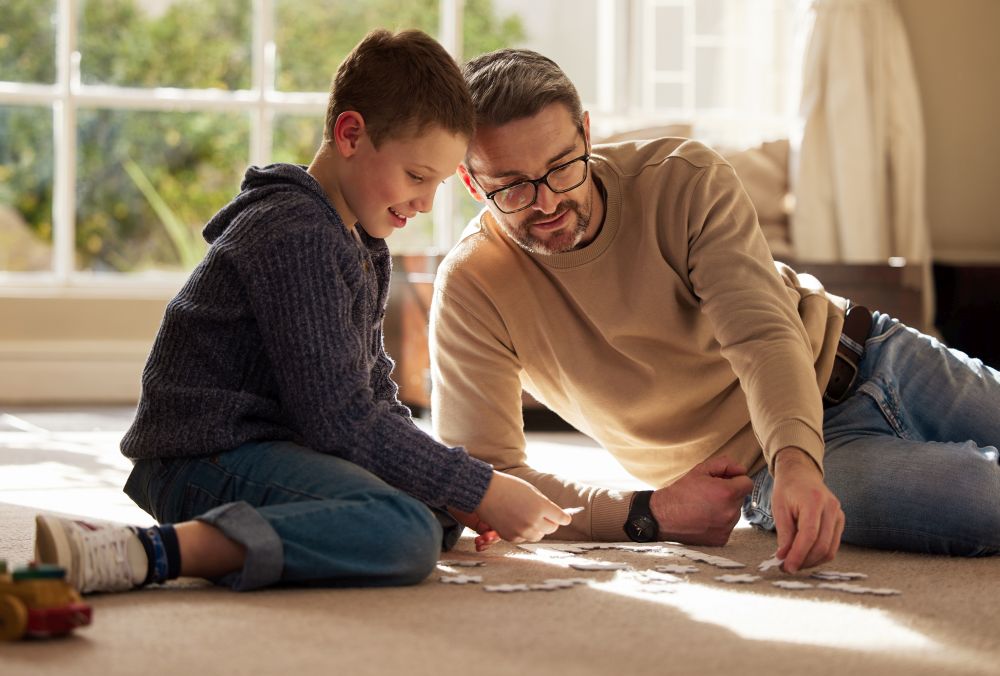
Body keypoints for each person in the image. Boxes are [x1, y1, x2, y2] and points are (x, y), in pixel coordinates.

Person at [33, 30, 571, 595]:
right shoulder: (296, 232)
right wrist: (481, 485)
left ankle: (275, 530)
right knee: (403, 532)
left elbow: (373, 396)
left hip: (278, 447)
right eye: (416, 176)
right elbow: (339, 421)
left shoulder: (360, 243)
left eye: (437, 184)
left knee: (438, 507)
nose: (425, 202)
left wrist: (460, 491)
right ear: (350, 134)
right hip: (203, 458)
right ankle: (145, 552)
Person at [430, 48, 1000, 574]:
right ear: (471, 181)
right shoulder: (470, 287)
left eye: (562, 167)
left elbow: (760, 332)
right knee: (982, 496)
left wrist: (799, 458)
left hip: (869, 350)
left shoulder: (682, 178)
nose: (548, 201)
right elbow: (484, 478)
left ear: (585, 132)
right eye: (512, 187)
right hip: (761, 470)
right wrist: (645, 512)